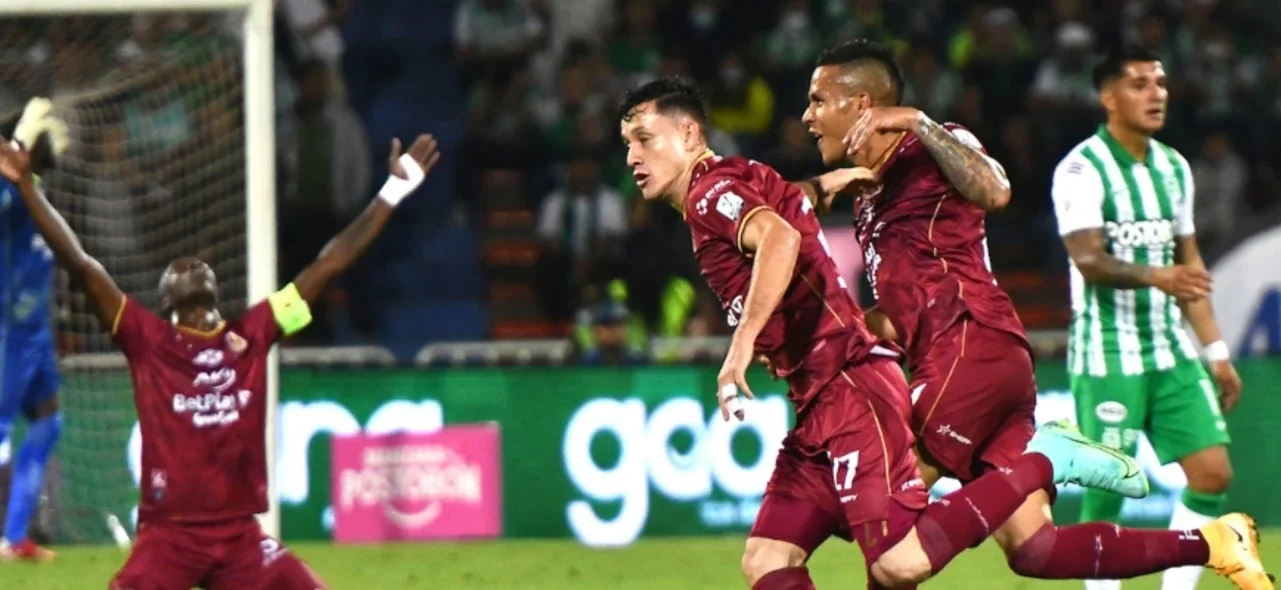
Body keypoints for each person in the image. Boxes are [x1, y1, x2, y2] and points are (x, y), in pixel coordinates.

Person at [618, 76, 1148, 590]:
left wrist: (741, 344)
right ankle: (1212, 542)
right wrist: (833, 183)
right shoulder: (741, 175)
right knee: (768, 557)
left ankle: (1049, 458)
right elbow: (792, 207)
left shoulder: (711, 196)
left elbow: (779, 236)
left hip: (878, 378)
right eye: (626, 144)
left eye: (644, 139)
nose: (632, 158)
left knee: (896, 561)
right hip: (826, 390)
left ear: (688, 135)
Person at [799, 39, 1271, 589]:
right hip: (970, 359)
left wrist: (918, 121)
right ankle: (1214, 542)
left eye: (817, 100)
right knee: (1034, 549)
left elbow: (996, 190)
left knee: (888, 542)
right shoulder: (869, 198)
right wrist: (841, 331)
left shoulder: (936, 142)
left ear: (860, 106)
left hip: (968, 351)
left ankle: (1049, 457)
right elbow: (905, 313)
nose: (807, 116)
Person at [0, 100, 440, 588]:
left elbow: (331, 262)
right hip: (170, 538)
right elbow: (80, 263)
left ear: (214, 288)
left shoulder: (253, 333)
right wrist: (24, 185)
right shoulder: (146, 339)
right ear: (167, 301)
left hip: (240, 539)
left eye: (195, 264)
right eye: (176, 269)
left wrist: (394, 190)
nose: (188, 264)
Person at [1051, 46, 1259, 590]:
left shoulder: (1173, 167)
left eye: (1160, 83)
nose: (1156, 94)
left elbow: (1188, 267)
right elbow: (1088, 260)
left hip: (1168, 348)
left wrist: (1216, 353)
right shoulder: (1080, 169)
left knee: (1213, 473)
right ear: (1108, 97)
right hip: (1106, 351)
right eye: (1140, 84)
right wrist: (1157, 277)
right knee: (1109, 485)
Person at [0, 99, 67, 561]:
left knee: (49, 417)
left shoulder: (34, 189)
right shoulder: (7, 190)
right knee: (0, 430)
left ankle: (15, 533)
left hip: (35, 331)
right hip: (5, 329)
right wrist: (23, 137)